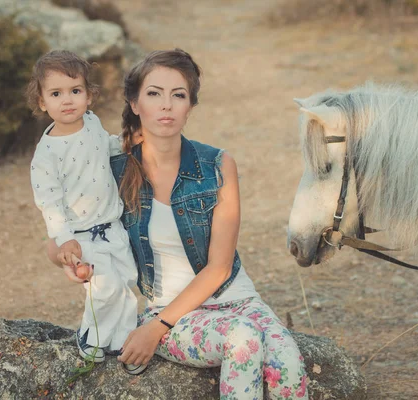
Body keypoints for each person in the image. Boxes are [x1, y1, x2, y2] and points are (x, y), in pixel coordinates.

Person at [49, 48, 308, 399]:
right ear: (136, 103)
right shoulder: (113, 170)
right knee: (244, 339)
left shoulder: (217, 165)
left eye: (178, 95)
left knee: (288, 366)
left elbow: (219, 268)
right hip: (173, 315)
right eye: (154, 94)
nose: (166, 105)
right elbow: (61, 234)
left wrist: (155, 329)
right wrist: (68, 257)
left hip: (239, 303)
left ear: (190, 106)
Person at [27, 50, 144, 375]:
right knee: (103, 287)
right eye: (56, 93)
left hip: (112, 225)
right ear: (42, 101)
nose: (67, 100)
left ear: (89, 95)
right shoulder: (47, 154)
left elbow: (103, 147)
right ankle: (90, 337)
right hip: (83, 235)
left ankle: (123, 341)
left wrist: (126, 141)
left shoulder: (91, 123)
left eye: (75, 91)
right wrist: (64, 240)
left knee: (125, 283)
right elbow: (49, 202)